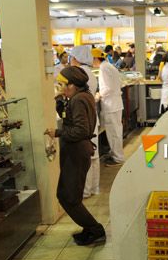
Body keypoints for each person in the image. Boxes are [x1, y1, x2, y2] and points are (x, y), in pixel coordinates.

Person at [45, 66, 105, 245]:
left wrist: (57, 132)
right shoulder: (81, 96)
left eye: (63, 84)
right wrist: (60, 101)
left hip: (76, 152)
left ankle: (95, 230)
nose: (61, 87)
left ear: (73, 84)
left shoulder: (78, 100)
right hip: (77, 152)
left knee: (67, 197)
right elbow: (69, 118)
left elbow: (80, 130)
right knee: (71, 195)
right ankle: (89, 228)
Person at [69, 45, 100, 199]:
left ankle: (85, 190)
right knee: (94, 155)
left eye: (71, 58)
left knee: (84, 155)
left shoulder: (79, 74)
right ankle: (94, 187)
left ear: (76, 58)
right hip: (93, 117)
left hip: (83, 118)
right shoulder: (91, 73)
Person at [92, 48, 125, 167]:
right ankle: (116, 154)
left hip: (111, 105)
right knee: (116, 131)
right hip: (115, 103)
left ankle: (118, 158)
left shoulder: (103, 68)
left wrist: (98, 94)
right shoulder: (109, 66)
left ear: (96, 58)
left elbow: (107, 88)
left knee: (113, 133)